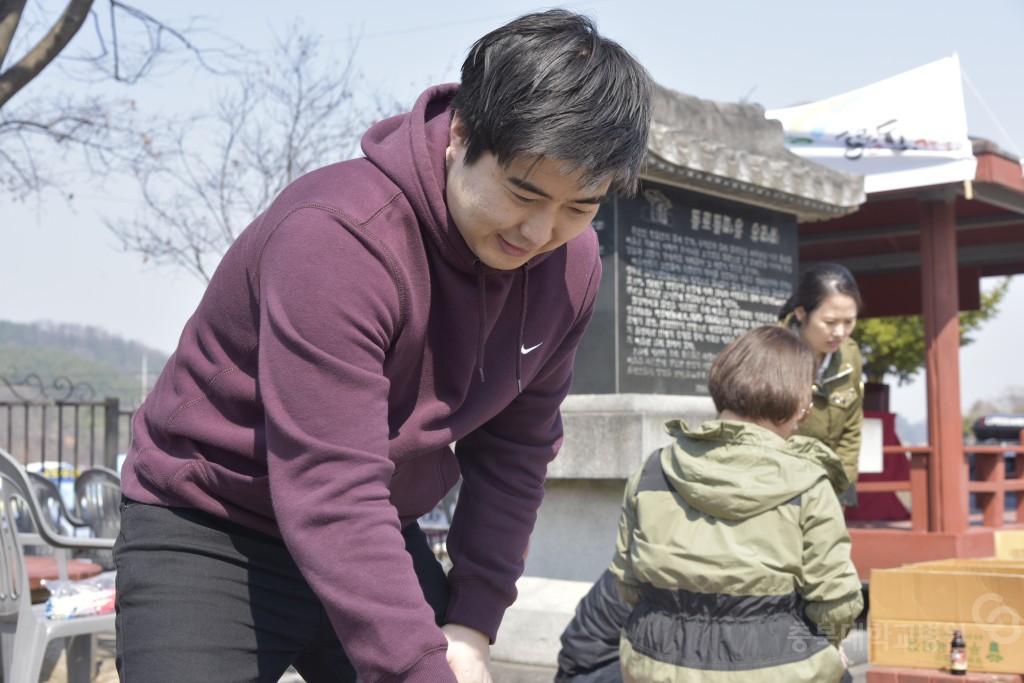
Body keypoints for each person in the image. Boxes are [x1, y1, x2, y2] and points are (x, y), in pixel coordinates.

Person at [113, 10, 653, 683]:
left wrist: (472, 622)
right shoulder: (339, 236)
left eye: (580, 205)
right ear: (461, 134)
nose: (542, 230)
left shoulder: (570, 264)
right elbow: (331, 482)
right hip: (214, 522)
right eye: (523, 191)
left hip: (376, 526)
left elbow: (516, 449)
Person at [609, 326, 863, 682]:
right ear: (795, 398)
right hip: (776, 666)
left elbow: (627, 582)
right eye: (808, 394)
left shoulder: (653, 471)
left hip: (655, 661)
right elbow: (836, 603)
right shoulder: (808, 482)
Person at [778, 263, 864, 507]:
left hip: (828, 484)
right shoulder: (770, 350)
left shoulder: (850, 355)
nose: (840, 332)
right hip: (779, 484)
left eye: (849, 322)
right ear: (801, 313)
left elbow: (851, 427)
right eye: (830, 322)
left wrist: (843, 484)